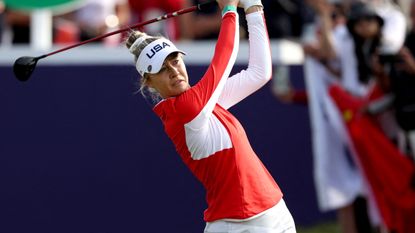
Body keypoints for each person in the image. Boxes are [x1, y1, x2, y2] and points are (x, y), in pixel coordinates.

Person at [125, 0, 297, 232]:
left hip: (274, 211)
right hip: (241, 223)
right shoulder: (184, 110)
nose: (174, 71)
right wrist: (228, 10)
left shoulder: (203, 103)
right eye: (163, 69)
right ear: (149, 82)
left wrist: (254, 7)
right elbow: (224, 58)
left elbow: (259, 72)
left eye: (175, 61)